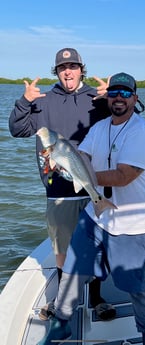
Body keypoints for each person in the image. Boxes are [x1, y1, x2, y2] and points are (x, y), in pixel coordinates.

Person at [36, 72, 145, 345]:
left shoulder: (142, 132)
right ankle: (61, 323)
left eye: (125, 94)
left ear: (135, 99)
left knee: (136, 287)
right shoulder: (101, 127)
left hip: (134, 223)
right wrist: (63, 159)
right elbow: (84, 155)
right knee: (72, 267)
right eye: (114, 92)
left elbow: (123, 176)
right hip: (97, 216)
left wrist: (81, 176)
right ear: (107, 98)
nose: (118, 98)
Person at [9, 47, 116, 321]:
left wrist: (111, 98)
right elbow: (17, 129)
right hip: (58, 190)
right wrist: (24, 101)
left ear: (82, 69)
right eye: (62, 67)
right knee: (61, 250)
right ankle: (61, 298)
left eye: (73, 66)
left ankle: (97, 298)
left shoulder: (97, 97)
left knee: (96, 246)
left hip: (94, 184)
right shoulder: (43, 100)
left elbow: (122, 127)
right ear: (56, 72)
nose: (67, 71)